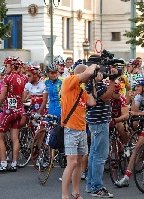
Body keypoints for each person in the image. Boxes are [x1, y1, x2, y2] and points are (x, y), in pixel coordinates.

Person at [61, 64, 98, 199]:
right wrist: (94, 64)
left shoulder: (81, 90)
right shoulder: (69, 81)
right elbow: (87, 73)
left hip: (82, 129)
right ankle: (64, 195)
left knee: (80, 162)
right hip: (71, 129)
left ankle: (75, 193)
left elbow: (92, 102)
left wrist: (93, 83)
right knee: (72, 162)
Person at [85, 68, 119, 198]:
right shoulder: (96, 82)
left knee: (94, 154)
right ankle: (97, 187)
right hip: (99, 122)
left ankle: (91, 185)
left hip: (96, 122)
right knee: (100, 156)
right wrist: (112, 81)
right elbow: (105, 97)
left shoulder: (93, 82)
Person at [0, 56, 26, 172]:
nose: (4, 68)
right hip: (18, 110)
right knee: (14, 138)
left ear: (11, 66)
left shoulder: (7, 77)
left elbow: (2, 95)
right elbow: (23, 95)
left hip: (8, 111)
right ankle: (14, 163)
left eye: (6, 65)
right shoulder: (21, 78)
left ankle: (3, 163)